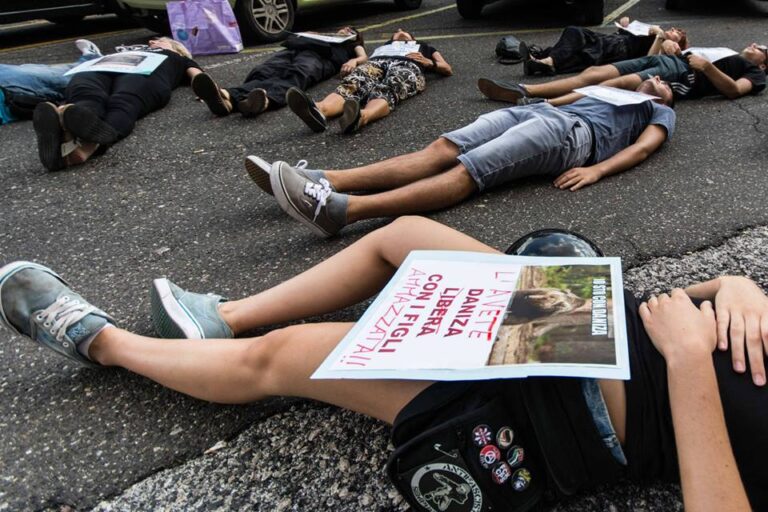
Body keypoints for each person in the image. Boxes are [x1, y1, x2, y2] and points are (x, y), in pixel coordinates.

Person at [0, 216, 765, 510]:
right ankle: (217, 317)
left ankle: (101, 340)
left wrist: (691, 363)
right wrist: (729, 282)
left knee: (286, 358)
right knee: (402, 236)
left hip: (570, 410)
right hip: (582, 318)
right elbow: (686, 316)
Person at [250, 78, 674, 238]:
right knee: (441, 149)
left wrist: (596, 170)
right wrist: (532, 98)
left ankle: (343, 211)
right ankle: (325, 181)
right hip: (546, 113)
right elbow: (571, 94)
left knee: (470, 170)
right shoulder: (624, 87)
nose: (657, 81)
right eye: (655, 76)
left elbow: (644, 147)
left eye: (667, 83)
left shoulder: (659, 110)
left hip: (571, 136)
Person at [31, 37, 202, 172]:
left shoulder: (177, 57)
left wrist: (207, 91)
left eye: (160, 40)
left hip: (147, 70)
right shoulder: (122, 51)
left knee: (124, 100)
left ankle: (87, 147)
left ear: (177, 48)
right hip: (103, 67)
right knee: (86, 94)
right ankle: (68, 128)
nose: (151, 42)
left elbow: (198, 75)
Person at [478, 42, 766, 104]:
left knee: (617, 84)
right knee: (594, 71)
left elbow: (734, 90)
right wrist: (672, 44)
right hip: (669, 61)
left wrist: (706, 67)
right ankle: (525, 90)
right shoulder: (729, 49)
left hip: (679, 77)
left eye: (761, 48)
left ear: (764, 63)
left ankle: (543, 105)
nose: (754, 45)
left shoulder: (754, 72)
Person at [286, 29, 452, 134]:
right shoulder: (382, 48)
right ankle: (319, 110)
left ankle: (361, 117)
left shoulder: (424, 46)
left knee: (391, 86)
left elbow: (447, 68)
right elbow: (363, 58)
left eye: (404, 31)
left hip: (407, 63)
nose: (400, 30)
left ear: (412, 38)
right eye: (396, 31)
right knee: (355, 82)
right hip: (376, 63)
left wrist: (430, 63)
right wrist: (355, 63)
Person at [191, 27, 366, 118]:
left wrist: (354, 61)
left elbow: (363, 56)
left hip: (320, 57)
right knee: (264, 71)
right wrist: (308, 34)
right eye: (345, 28)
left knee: (297, 74)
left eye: (351, 31)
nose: (345, 30)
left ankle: (264, 100)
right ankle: (227, 98)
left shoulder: (350, 44)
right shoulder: (323, 35)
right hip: (292, 51)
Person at [520, 18, 688, 76]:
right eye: (673, 28)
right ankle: (539, 64)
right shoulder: (656, 33)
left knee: (575, 33)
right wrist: (625, 26)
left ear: (677, 44)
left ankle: (546, 59)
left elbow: (650, 60)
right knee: (580, 55)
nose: (673, 29)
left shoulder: (665, 45)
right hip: (614, 42)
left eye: (677, 33)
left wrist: (660, 37)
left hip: (618, 50)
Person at [0, 40, 101, 125]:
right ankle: (95, 64)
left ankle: (92, 63)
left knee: (32, 69)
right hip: (6, 95)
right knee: (55, 77)